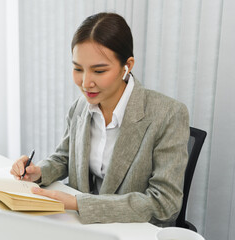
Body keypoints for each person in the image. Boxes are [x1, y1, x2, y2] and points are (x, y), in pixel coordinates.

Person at [10, 12, 189, 227]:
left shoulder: (168, 114)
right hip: (81, 226)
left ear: (127, 66)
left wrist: (80, 203)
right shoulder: (80, 107)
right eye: (77, 69)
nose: (86, 83)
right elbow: (64, 157)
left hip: (134, 231)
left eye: (99, 70)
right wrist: (38, 172)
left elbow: (164, 203)